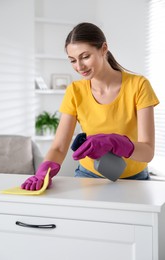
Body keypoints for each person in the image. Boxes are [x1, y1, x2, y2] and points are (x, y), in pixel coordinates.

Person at [21, 22, 159, 190]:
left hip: (135, 180)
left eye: (85, 56)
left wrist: (115, 142)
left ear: (104, 48)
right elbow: (58, 147)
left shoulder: (138, 85)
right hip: (88, 177)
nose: (79, 67)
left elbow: (147, 152)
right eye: (72, 60)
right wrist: (44, 171)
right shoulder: (75, 91)